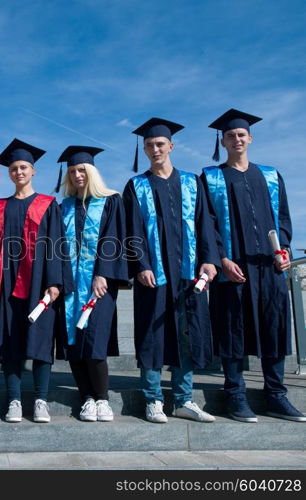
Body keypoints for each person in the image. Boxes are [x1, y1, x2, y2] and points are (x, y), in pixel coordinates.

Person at [202, 108, 305, 423]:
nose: (236, 139)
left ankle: (276, 395)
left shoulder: (271, 175)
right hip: (233, 267)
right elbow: (207, 223)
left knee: (273, 328)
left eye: (241, 135)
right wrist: (221, 259)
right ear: (223, 140)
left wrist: (284, 248)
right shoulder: (212, 177)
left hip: (268, 267)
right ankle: (235, 394)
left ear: (250, 138)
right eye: (231, 135)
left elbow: (283, 218)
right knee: (232, 330)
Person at [123, 118, 220, 424]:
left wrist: (209, 259)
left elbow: (206, 224)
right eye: (149, 145)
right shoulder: (136, 186)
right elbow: (132, 230)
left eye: (160, 144)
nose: (155, 149)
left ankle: (183, 399)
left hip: (189, 275)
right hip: (153, 275)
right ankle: (153, 399)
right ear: (144, 148)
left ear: (171, 146)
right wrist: (140, 265)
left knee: (187, 332)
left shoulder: (192, 182)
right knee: (152, 334)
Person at [0, 138, 67, 424]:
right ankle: (15, 400)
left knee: (42, 342)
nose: (18, 172)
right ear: (9, 173)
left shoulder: (47, 205)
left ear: (33, 171)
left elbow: (57, 243)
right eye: (14, 168)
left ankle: (41, 399)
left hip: (39, 284)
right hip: (7, 285)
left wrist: (55, 281)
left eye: (23, 167)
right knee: (10, 343)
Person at [58, 146, 128, 422]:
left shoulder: (110, 201)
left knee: (95, 342)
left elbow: (114, 239)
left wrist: (103, 273)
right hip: (70, 286)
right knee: (74, 341)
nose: (77, 175)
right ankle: (87, 398)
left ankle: (102, 399)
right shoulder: (62, 206)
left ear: (92, 172)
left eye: (82, 170)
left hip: (99, 285)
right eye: (73, 171)